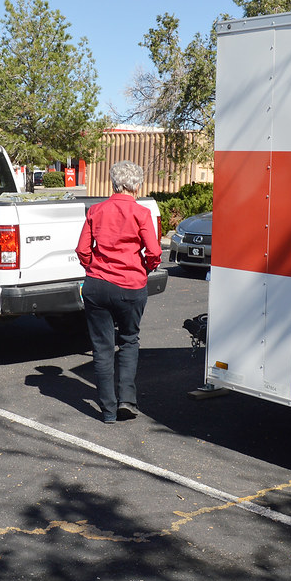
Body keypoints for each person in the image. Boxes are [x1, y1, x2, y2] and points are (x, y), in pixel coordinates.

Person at [75, 161, 162, 424]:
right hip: (131, 285)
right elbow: (155, 252)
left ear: (114, 183)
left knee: (102, 348)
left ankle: (108, 411)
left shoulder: (96, 210)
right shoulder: (141, 213)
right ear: (136, 185)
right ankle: (127, 400)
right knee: (128, 340)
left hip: (97, 285)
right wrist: (144, 269)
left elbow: (82, 249)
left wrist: (94, 269)